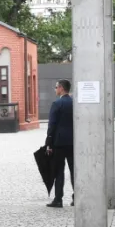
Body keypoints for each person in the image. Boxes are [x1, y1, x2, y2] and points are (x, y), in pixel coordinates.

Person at [45, 79, 74, 208]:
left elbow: (52, 125)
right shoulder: (75, 102)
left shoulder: (57, 103)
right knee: (74, 171)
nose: (55, 89)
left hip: (59, 142)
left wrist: (48, 143)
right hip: (73, 142)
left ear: (61, 88)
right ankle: (77, 197)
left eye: (56, 87)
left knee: (59, 171)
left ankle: (58, 199)